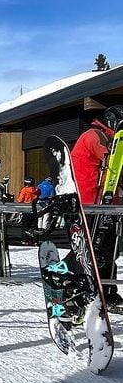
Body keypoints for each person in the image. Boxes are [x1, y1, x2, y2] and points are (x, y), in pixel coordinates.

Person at [71, 105, 123, 307]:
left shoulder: (109, 138)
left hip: (105, 201)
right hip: (90, 201)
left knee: (108, 249)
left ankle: (107, 291)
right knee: (94, 249)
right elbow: (110, 159)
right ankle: (88, 289)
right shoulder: (94, 135)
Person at [17, 177, 39, 245]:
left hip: (26, 208)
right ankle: (35, 240)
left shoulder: (24, 190)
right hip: (35, 209)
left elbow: (20, 200)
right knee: (34, 226)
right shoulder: (37, 190)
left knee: (25, 225)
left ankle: (25, 240)